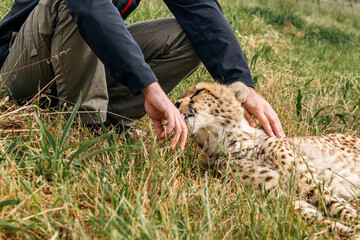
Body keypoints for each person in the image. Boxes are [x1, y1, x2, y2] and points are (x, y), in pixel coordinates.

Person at [0, 0, 285, 150]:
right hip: (23, 68)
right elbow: (88, 7)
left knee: (189, 37)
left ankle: (108, 119)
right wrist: (149, 87)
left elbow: (202, 14)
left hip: (74, 63)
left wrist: (243, 87)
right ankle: (85, 127)